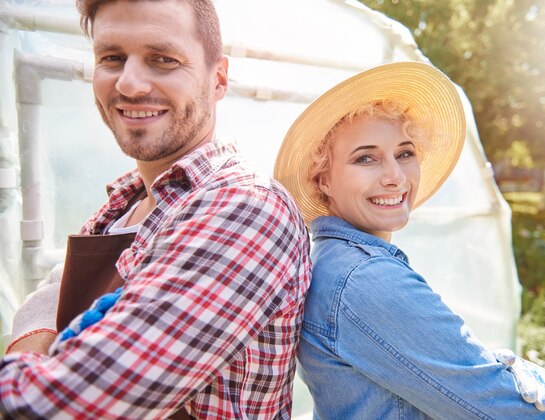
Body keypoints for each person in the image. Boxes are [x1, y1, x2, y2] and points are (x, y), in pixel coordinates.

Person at [0, 0, 311, 418]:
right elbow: (47, 300)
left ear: (218, 78)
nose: (129, 84)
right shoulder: (123, 204)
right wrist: (38, 326)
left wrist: (32, 337)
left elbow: (62, 404)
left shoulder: (247, 207)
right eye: (112, 58)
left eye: (162, 60)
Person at [274, 61, 545, 419]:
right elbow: (524, 415)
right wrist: (526, 372)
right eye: (366, 158)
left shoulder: (333, 259)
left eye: (405, 153)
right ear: (323, 180)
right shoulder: (366, 278)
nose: (395, 176)